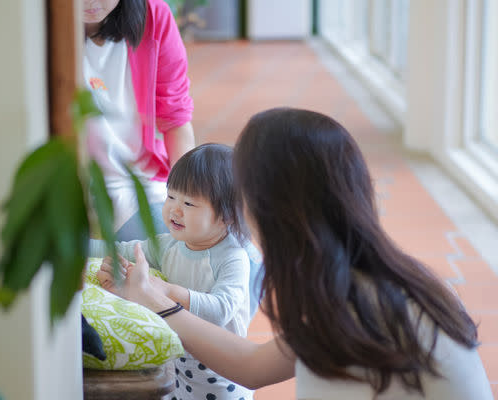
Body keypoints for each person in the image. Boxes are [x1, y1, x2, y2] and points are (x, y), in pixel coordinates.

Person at [100, 108, 494, 399]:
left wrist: (157, 300)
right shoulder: (374, 279)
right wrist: (153, 300)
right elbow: (252, 367)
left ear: (273, 210)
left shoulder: (348, 311)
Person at [92, 144, 255, 400]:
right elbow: (120, 249)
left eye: (189, 203)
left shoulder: (233, 258)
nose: (174, 210)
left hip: (223, 381)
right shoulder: (168, 245)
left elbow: (221, 309)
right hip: (177, 371)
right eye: (171, 197)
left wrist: (167, 290)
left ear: (227, 216)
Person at [83, 0, 195, 240]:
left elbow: (175, 119)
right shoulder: (36, 28)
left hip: (149, 180)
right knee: (177, 244)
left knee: (230, 238)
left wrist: (187, 198)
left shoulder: (154, 17)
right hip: (88, 191)